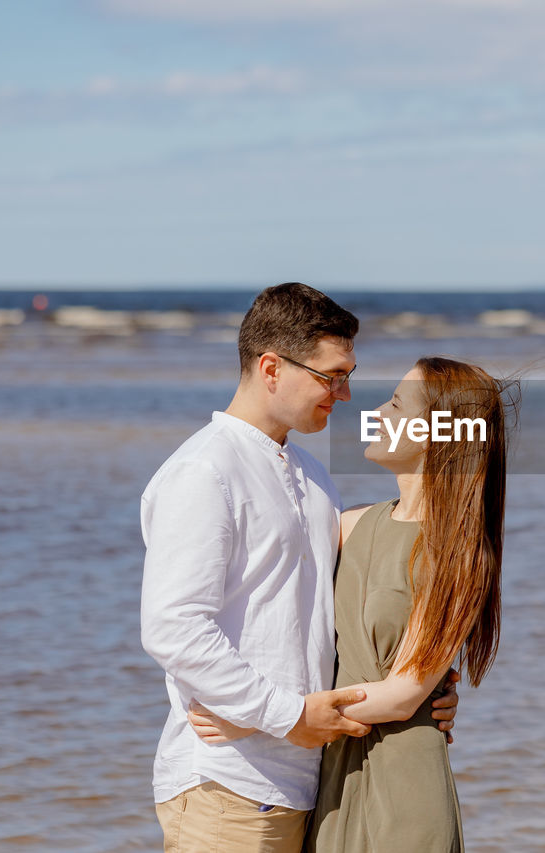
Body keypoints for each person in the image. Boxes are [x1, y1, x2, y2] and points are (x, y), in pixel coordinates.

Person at [140, 283, 459, 853]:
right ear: (271, 367)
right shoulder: (205, 472)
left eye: (348, 374)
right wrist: (282, 716)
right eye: (331, 376)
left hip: (305, 785)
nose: (344, 393)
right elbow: (174, 626)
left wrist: (425, 681)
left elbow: (355, 605)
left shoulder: (313, 478)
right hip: (226, 783)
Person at [189, 356, 510, 852]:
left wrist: (258, 717)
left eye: (398, 404)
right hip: (334, 771)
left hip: (402, 782)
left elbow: (404, 694)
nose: (376, 411)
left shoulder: (458, 553)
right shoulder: (350, 524)